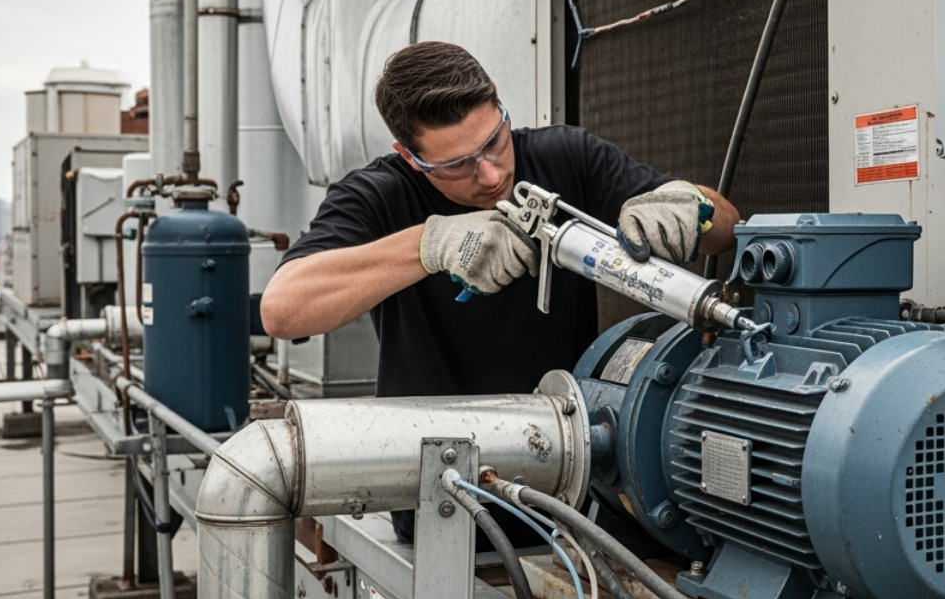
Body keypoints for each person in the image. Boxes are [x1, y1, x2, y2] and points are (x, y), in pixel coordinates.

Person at [260, 41, 737, 541]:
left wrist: (690, 205)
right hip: (444, 500)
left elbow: (726, 226)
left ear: (497, 101)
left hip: (575, 488)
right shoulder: (379, 195)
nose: (490, 174)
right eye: (457, 165)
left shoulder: (566, 158)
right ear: (408, 154)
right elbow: (283, 310)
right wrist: (430, 243)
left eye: (493, 142)